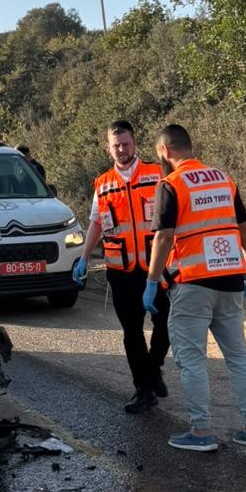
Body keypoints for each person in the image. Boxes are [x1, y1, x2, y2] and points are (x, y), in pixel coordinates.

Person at [143, 123, 246, 452]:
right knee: (238, 355)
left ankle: (201, 431)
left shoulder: (171, 184)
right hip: (231, 280)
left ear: (165, 151)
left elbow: (164, 237)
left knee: (192, 359)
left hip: (193, 283)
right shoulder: (224, 180)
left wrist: (152, 282)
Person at [72, 119, 170, 413]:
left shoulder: (157, 173)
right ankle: (144, 389)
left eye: (126, 144)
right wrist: (84, 257)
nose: (122, 150)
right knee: (131, 332)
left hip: (157, 266)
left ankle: (153, 368)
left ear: (134, 143)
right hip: (121, 270)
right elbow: (96, 222)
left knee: (167, 324)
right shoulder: (103, 183)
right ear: (108, 148)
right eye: (116, 146)